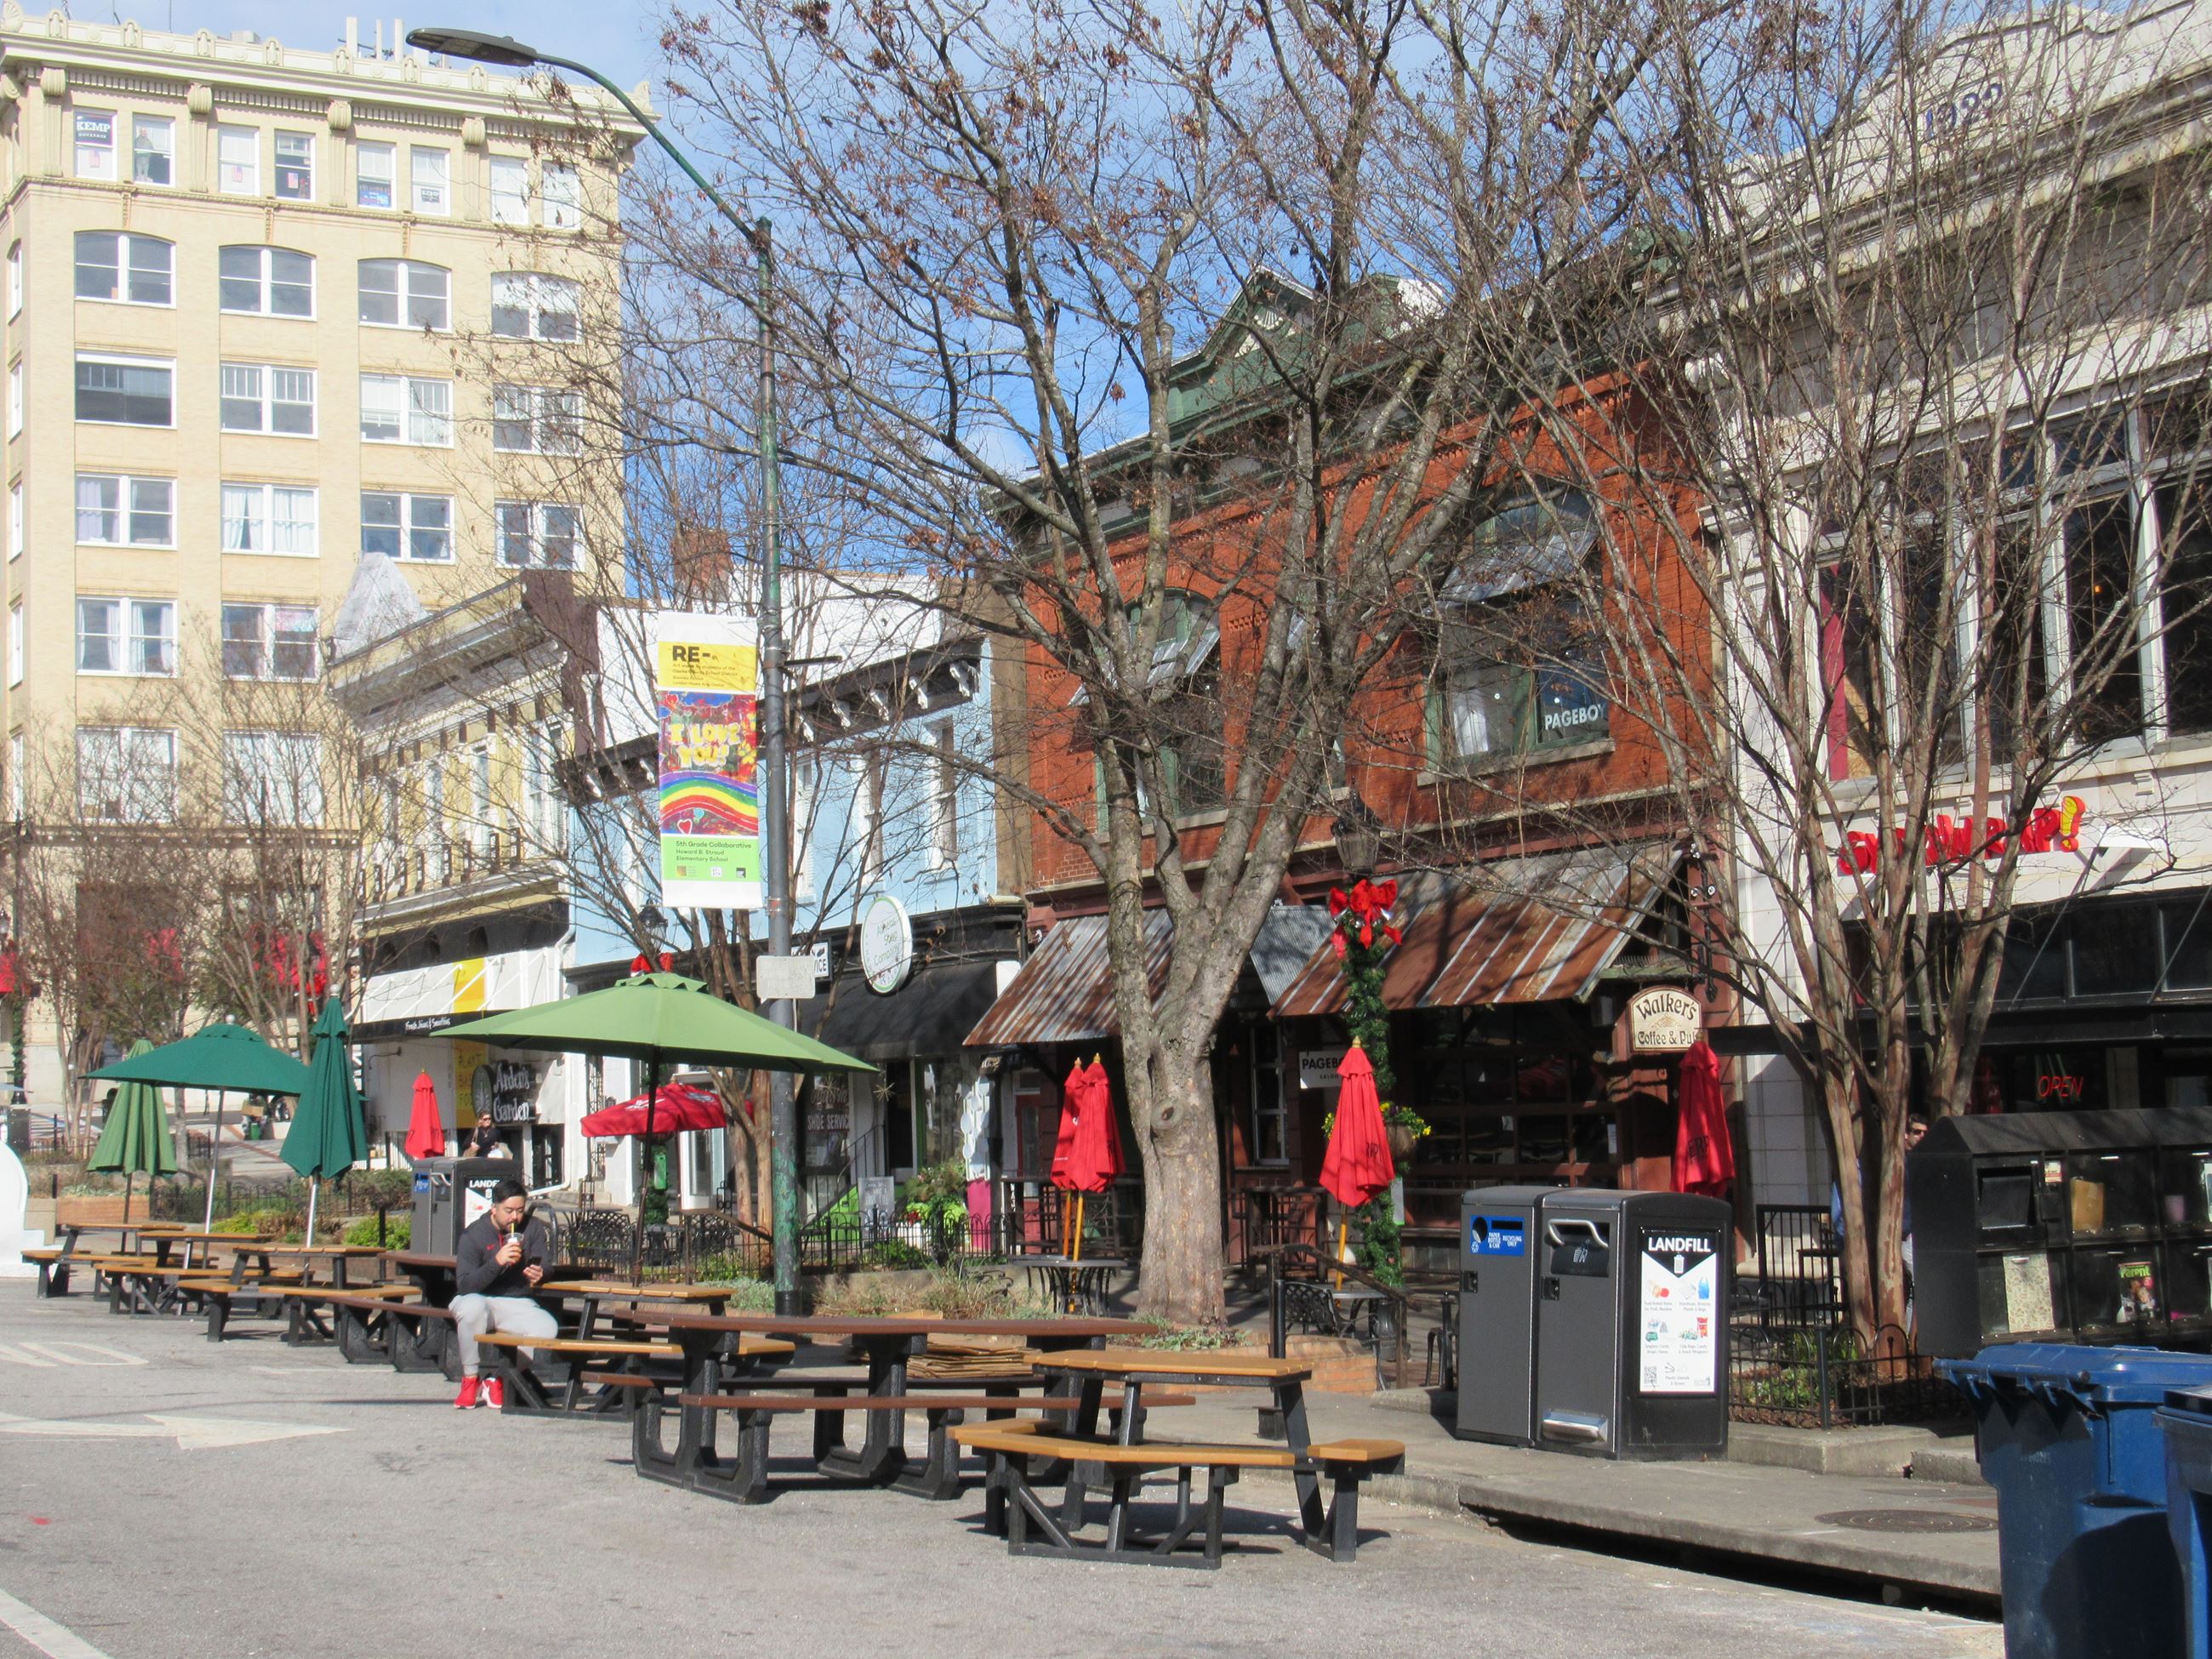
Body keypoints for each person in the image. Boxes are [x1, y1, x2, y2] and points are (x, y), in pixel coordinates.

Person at [449, 1177, 556, 1411]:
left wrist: (541, 1272)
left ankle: (499, 1379)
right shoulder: (474, 1235)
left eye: (519, 1210)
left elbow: (547, 1265)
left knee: (547, 1328)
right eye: (508, 1211)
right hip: (478, 1298)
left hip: (516, 1300)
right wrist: (497, 1262)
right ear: (494, 1208)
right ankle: (470, 1378)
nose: (515, 1218)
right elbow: (465, 1286)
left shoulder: (533, 1228)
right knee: (472, 1308)